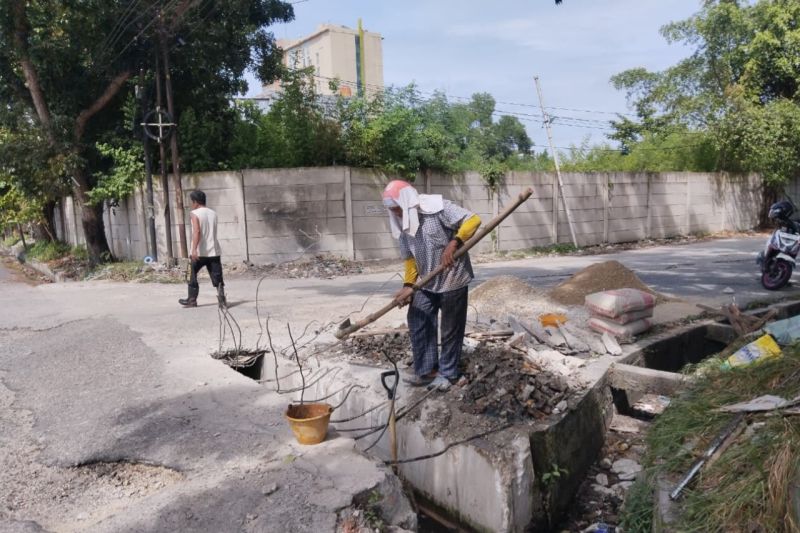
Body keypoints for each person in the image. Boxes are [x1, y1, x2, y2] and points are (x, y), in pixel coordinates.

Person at [382, 180, 481, 391]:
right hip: (426, 282)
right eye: (392, 209)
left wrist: (454, 242)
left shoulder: (438, 208)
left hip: (452, 277)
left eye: (397, 208)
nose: (395, 213)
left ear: (407, 201)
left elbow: (473, 220)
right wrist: (408, 285)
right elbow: (409, 258)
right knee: (418, 319)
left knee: (450, 329)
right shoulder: (401, 223)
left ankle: (449, 374)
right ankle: (428, 371)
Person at [178, 190, 226, 308]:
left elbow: (197, 231)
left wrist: (194, 249)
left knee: (191, 274)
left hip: (199, 252)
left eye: (192, 202)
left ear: (195, 202)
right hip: (214, 251)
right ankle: (222, 300)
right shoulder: (213, 213)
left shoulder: (194, 213)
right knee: (217, 276)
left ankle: (192, 300)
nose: (191, 204)